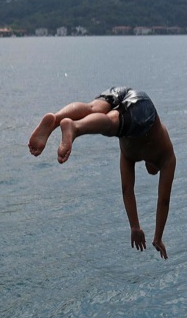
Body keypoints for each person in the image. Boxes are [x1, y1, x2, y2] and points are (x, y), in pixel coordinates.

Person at [27, 86, 177, 259]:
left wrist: (135, 226)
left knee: (93, 108)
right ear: (154, 166)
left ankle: (55, 119)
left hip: (128, 93)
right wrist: (156, 237)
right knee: (112, 124)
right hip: (144, 114)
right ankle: (75, 128)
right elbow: (162, 200)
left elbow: (127, 190)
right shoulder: (167, 157)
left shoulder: (129, 155)